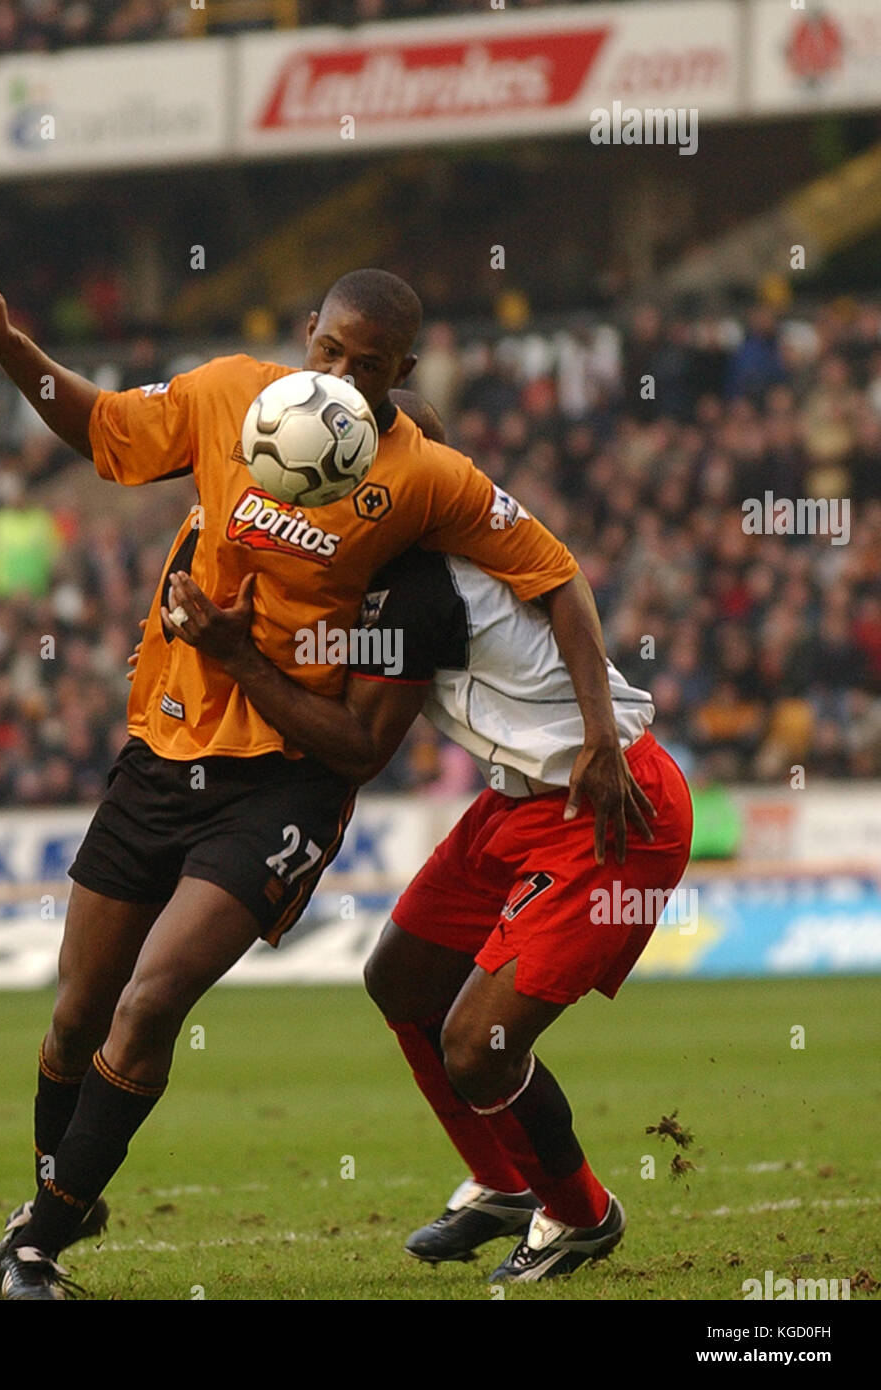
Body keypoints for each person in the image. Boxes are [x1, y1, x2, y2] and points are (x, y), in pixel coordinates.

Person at [0, 256, 643, 1298]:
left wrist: (599, 732)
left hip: (280, 784)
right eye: (330, 351)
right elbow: (105, 431)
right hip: (161, 749)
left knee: (151, 1000)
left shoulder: (423, 480)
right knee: (78, 1010)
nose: (342, 377)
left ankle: (35, 1248)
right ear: (308, 333)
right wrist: (5, 344)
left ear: (400, 373)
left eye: (370, 367)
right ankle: (55, 1196)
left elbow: (552, 573)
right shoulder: (228, 397)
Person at [158, 390, 692, 1283]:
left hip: (609, 809)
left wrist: (237, 655)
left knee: (478, 1044)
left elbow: (362, 744)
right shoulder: (409, 566)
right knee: (400, 976)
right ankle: (501, 1184)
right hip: (518, 801)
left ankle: (581, 1214)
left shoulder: (414, 591)